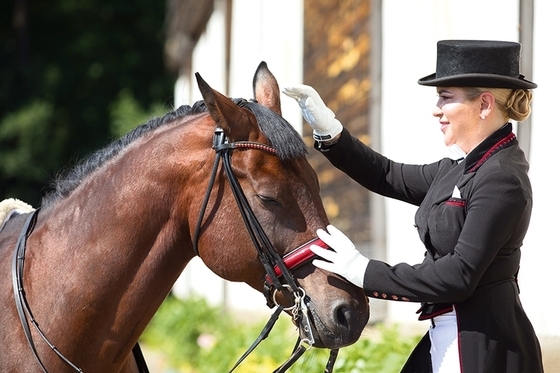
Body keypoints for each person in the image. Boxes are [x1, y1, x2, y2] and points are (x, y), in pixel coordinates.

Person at [283, 40, 544, 373]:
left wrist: (364, 272)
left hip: (482, 347)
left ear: (484, 104)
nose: (436, 108)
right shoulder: (462, 166)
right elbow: (387, 175)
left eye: (446, 97)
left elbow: (458, 276)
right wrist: (329, 130)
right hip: (446, 335)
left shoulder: (502, 178)